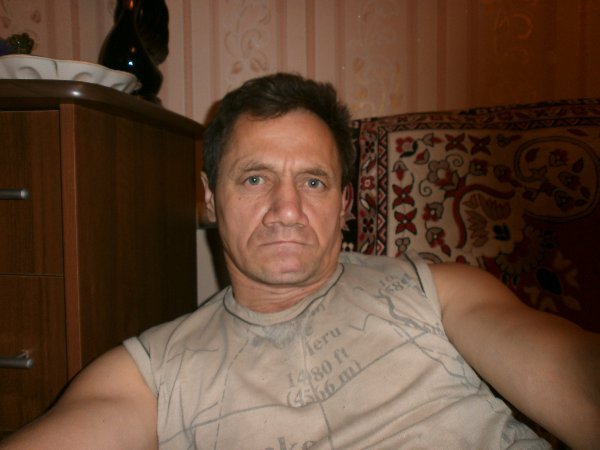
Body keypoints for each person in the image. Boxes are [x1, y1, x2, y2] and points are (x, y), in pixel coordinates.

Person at [1, 73, 598, 450]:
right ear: (209, 198)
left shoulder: (441, 293)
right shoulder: (150, 375)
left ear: (345, 203)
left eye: (313, 182)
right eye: (254, 178)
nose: (286, 210)